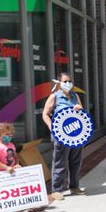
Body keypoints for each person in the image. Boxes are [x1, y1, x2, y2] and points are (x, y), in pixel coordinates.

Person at [42, 72, 85, 200]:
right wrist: (51, 127)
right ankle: (57, 189)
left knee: (76, 161)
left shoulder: (75, 96)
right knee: (60, 161)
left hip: (76, 133)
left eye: (69, 81)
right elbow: (45, 114)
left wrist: (79, 109)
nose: (68, 84)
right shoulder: (55, 96)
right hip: (61, 134)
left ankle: (74, 186)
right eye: (65, 81)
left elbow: (82, 112)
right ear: (59, 83)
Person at [0, 122, 25, 212]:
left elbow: (15, 156)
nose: (9, 137)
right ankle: (5, 211)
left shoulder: (11, 145)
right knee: (3, 193)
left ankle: (15, 210)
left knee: (13, 191)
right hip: (0, 173)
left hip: (11, 172)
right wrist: (6, 167)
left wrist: (17, 164)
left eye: (11, 134)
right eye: (6, 135)